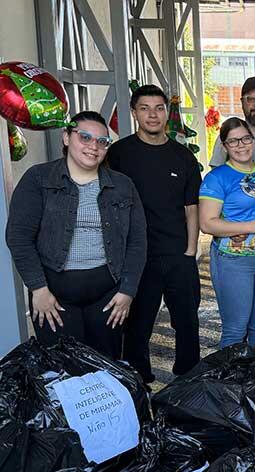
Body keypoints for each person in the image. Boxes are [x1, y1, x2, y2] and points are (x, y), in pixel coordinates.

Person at [6, 111, 147, 358]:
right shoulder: (39, 179)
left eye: (102, 141)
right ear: (66, 137)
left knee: (106, 369)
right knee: (63, 370)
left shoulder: (122, 185)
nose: (93, 147)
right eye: (85, 137)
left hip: (108, 295)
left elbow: (137, 241)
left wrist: (127, 291)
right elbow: (18, 237)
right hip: (54, 297)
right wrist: (38, 289)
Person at [107, 84, 201, 383]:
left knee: (187, 322)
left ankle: (188, 378)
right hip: (137, 256)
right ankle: (140, 379)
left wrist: (190, 250)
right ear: (134, 113)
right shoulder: (119, 154)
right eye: (145, 108)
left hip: (177, 253)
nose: (153, 115)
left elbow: (191, 207)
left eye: (159, 108)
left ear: (166, 113)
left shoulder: (182, 157)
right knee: (137, 323)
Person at [199, 117, 255, 350]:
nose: (241, 145)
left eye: (245, 138)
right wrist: (252, 227)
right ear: (224, 146)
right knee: (236, 328)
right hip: (234, 261)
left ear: (252, 140)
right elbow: (207, 224)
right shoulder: (217, 178)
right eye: (233, 141)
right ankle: (231, 385)